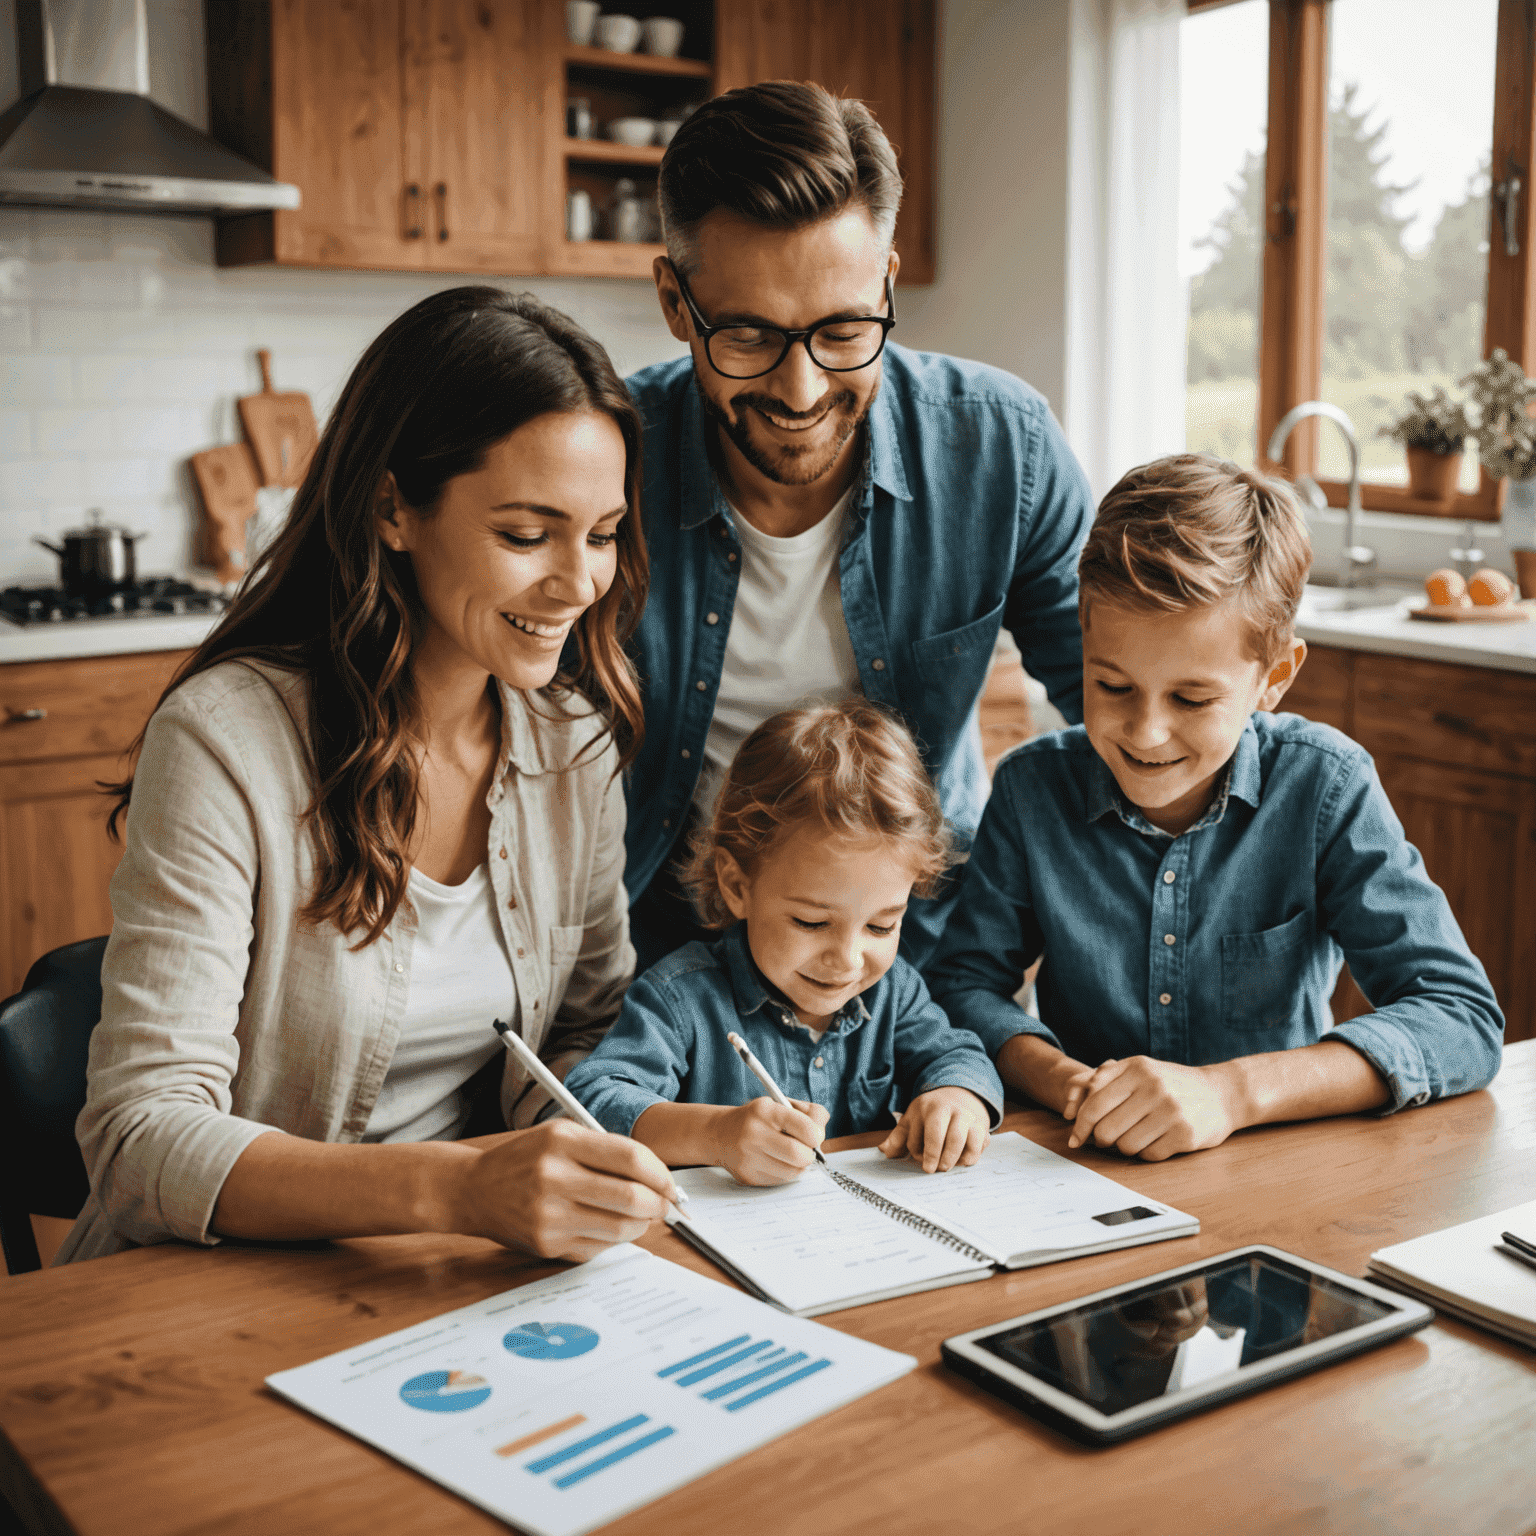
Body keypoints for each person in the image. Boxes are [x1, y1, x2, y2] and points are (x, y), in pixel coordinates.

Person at [57, 288, 683, 1266]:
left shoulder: (574, 743)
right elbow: (139, 1138)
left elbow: (579, 1034)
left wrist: (646, 1137)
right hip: (217, 1286)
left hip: (459, 1276)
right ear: (393, 507)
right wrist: (464, 1187)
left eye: (601, 534)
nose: (578, 583)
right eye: (527, 534)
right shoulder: (227, 741)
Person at [622, 80, 1096, 971]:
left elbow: (1119, 714)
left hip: (919, 969)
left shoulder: (1003, 447)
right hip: (660, 972)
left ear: (886, 281)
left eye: (843, 331)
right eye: (750, 337)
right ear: (676, 304)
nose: (801, 393)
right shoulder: (610, 460)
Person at [927, 454, 1503, 1160]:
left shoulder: (1327, 788)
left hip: (1274, 1173)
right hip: (1084, 1169)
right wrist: (1066, 1083)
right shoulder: (1031, 790)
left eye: (1191, 699)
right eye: (1112, 687)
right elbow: (961, 985)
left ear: (1275, 677)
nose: (1144, 733)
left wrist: (1230, 1093)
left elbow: (1462, 1018)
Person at [564, 702, 1003, 1184]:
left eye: (880, 927)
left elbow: (957, 1055)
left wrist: (958, 1097)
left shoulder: (894, 992)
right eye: (811, 922)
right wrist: (716, 1134)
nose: (848, 960)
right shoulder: (680, 998)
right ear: (736, 886)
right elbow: (596, 1098)